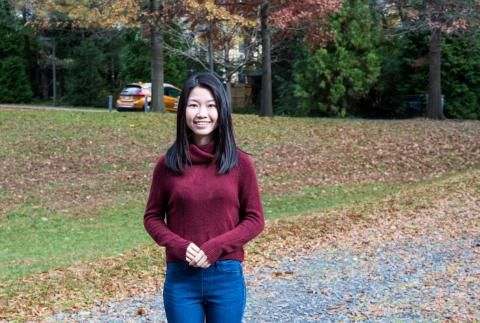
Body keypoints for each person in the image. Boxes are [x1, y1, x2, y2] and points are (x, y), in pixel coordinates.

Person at [144, 72, 264, 323]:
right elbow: (152, 217)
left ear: (222, 110)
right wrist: (180, 246)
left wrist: (214, 248)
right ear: (183, 111)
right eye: (193, 105)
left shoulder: (240, 163)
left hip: (226, 275)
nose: (202, 114)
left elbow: (254, 219)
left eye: (211, 106)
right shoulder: (168, 165)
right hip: (181, 278)